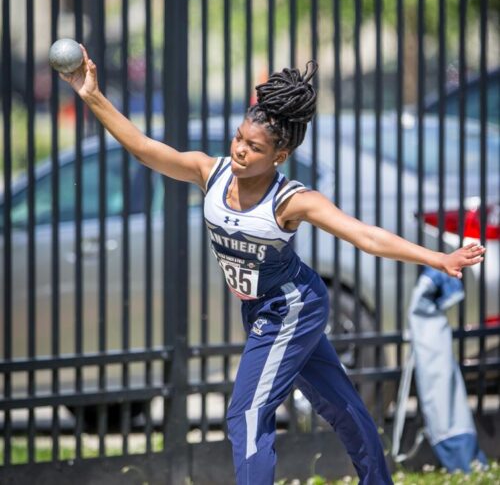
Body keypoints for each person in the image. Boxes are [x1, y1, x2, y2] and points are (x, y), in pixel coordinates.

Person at [60, 47, 486, 485]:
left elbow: (365, 235)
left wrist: (438, 257)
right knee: (337, 404)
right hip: (261, 309)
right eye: (239, 138)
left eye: (255, 147)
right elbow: (145, 149)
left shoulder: (291, 200)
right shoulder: (213, 173)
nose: (240, 150)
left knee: (247, 412)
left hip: (291, 308)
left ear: (279, 156)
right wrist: (91, 95)